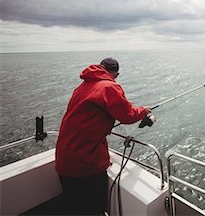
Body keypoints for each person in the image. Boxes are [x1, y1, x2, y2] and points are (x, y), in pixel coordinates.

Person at [55, 58, 153, 215]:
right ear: (117, 74)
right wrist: (143, 110)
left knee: (73, 209)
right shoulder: (109, 87)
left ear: (100, 67)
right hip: (85, 163)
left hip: (65, 158)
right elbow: (127, 115)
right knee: (93, 209)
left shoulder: (84, 86)